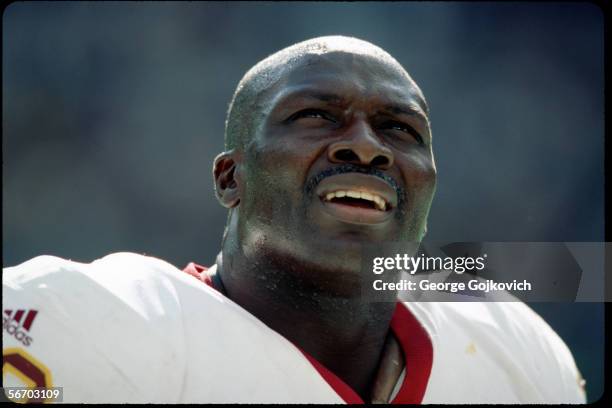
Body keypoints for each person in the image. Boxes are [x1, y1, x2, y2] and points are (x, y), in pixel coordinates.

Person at [2, 36, 586, 404]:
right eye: (315, 116)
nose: (366, 147)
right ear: (231, 179)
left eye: (399, 129)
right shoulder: (101, 320)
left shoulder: (511, 343)